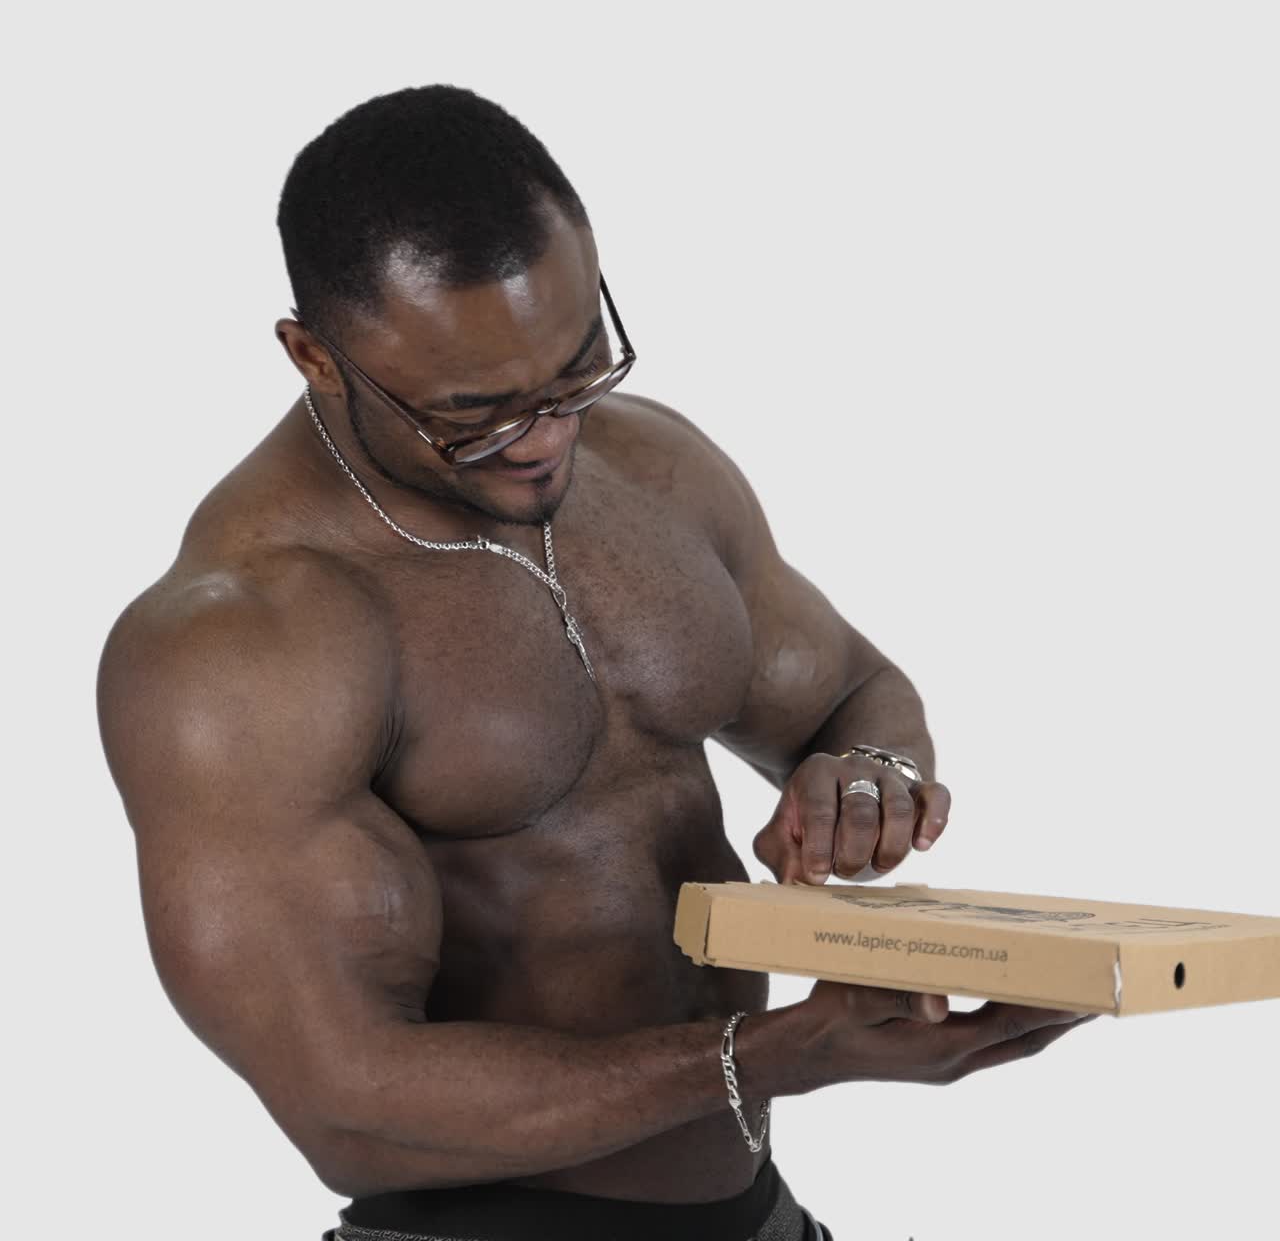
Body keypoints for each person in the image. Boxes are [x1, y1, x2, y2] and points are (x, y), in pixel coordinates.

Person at [96, 84, 1097, 1241]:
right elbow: (345, 1107)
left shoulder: (650, 467)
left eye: (575, 371)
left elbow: (844, 691)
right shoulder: (242, 641)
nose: (546, 438)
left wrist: (867, 776)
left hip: (757, 1213)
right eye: (475, 414)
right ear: (314, 357)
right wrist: (773, 1055)